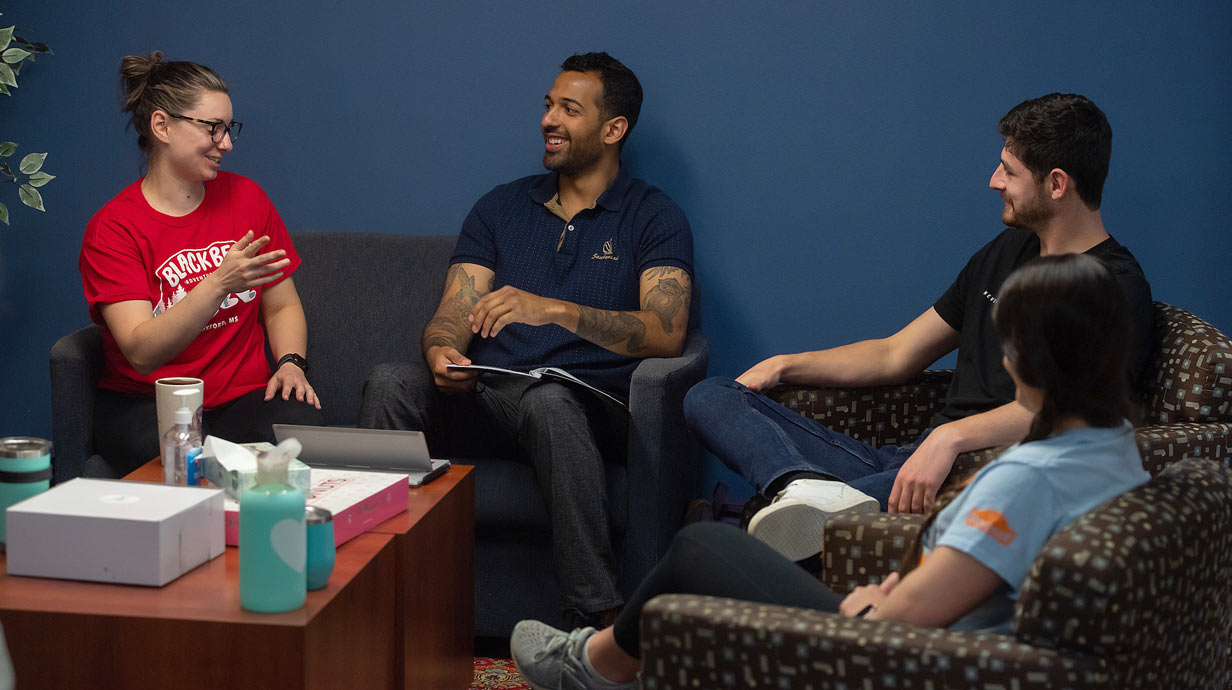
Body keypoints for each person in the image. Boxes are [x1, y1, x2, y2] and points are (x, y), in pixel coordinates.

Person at [510, 252, 1151, 690]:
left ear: (1030, 360)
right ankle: (794, 488)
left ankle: (589, 665)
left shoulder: (1028, 480)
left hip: (902, 659)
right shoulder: (1116, 445)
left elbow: (911, 622)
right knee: (714, 420)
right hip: (944, 638)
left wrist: (880, 607)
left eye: (1009, 345)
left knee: (701, 547)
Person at [683, 93, 1153, 562]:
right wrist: (785, 365)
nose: (994, 182)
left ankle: (787, 514)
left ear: (1056, 184)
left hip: (976, 469)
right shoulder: (1005, 252)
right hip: (910, 459)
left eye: (1009, 171)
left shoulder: (1113, 286)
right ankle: (800, 489)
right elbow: (896, 353)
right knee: (709, 397)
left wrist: (952, 438)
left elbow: (1085, 413)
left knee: (734, 548)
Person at [358, 52, 694, 629]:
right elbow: (454, 310)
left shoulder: (652, 216)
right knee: (391, 382)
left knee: (549, 402)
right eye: (548, 105)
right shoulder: (502, 207)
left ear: (613, 129)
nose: (549, 120)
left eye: (569, 108)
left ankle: (596, 623)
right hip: (492, 393)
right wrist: (441, 349)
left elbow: (667, 332)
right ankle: (371, 593)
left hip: (587, 406)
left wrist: (556, 311)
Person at [79, 52, 323, 476]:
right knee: (186, 470)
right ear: (162, 126)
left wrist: (290, 362)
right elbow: (140, 351)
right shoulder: (113, 228)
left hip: (242, 396)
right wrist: (217, 284)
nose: (226, 143)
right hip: (149, 403)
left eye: (229, 129)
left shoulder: (248, 198)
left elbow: (281, 304)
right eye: (212, 128)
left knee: (306, 441)